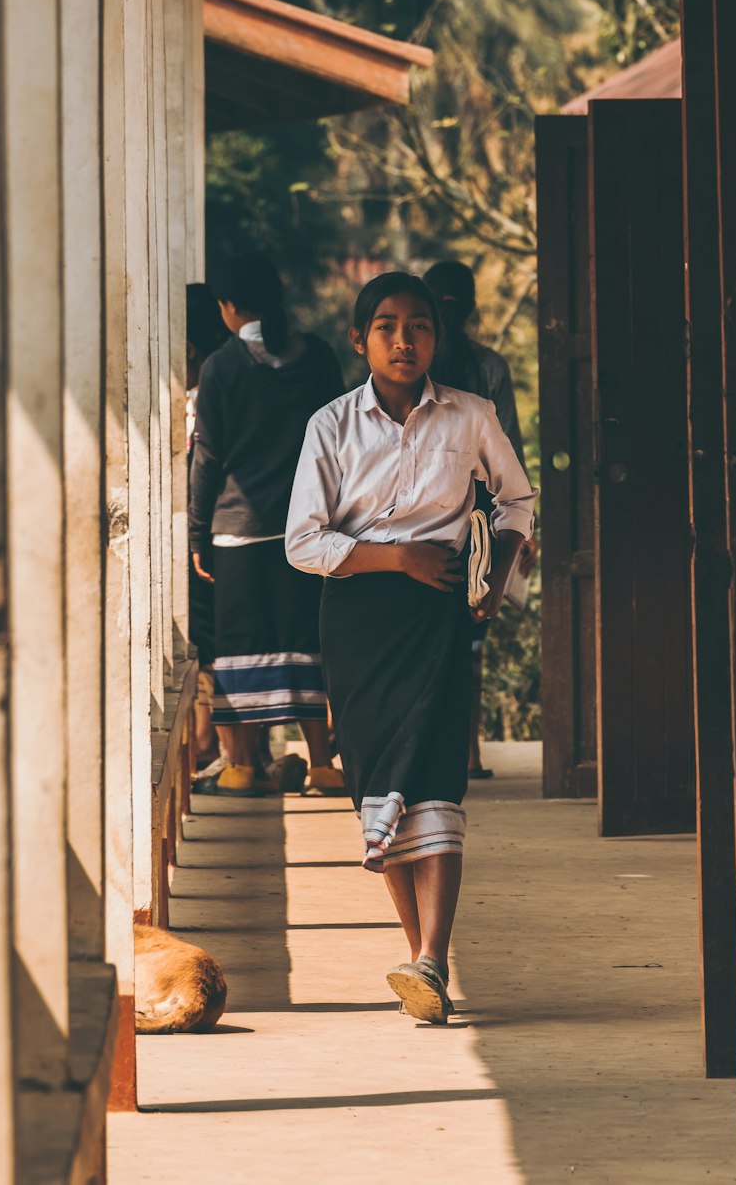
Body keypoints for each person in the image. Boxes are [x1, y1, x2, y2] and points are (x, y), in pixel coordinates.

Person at [285, 272, 536, 1022]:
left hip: (437, 617)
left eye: (419, 325)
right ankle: (418, 956)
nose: (404, 339)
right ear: (360, 339)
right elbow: (304, 541)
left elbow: (518, 498)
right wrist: (398, 558)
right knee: (375, 781)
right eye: (386, 325)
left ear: (439, 338)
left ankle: (431, 957)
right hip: (359, 616)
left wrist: (494, 585)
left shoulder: (471, 416)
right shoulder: (330, 425)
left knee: (433, 774)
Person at [189, 251, 346, 796]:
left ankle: (243, 765)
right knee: (307, 640)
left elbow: (208, 458)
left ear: (229, 307)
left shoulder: (221, 367)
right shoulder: (319, 357)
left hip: (239, 528)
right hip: (311, 524)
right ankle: (322, 763)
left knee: (240, 645)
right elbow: (341, 441)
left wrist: (195, 533)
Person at [423, 260, 538, 779]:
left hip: (417, 526)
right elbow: (508, 454)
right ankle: (468, 755)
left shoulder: (407, 365)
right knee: (468, 647)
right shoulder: (489, 367)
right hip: (478, 526)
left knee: (419, 645)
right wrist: (523, 528)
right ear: (471, 307)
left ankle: (422, 751)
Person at [185, 282, 229, 772]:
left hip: (202, 534)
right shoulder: (226, 386)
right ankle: (209, 744)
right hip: (220, 530)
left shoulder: (196, 402)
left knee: (202, 641)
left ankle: (205, 743)